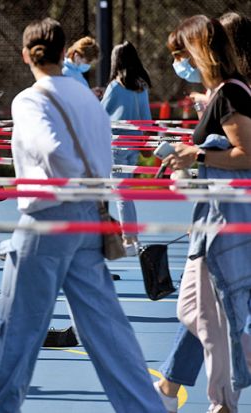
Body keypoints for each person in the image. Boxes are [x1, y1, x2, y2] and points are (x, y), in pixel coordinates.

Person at [0, 18, 165, 413]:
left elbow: (53, 148)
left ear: (26, 55)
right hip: (91, 217)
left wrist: (65, 181)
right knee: (107, 328)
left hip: (49, 216)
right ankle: (145, 408)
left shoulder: (30, 99)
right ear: (66, 53)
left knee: (16, 330)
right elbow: (102, 150)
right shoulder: (87, 98)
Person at [154, 13, 251, 412]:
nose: (180, 63)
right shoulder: (224, 94)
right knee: (194, 310)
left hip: (226, 221)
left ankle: (222, 403)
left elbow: (246, 154)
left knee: (216, 317)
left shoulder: (231, 94)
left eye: (182, 54)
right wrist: (189, 157)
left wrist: (194, 153)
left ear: (200, 51)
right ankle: (191, 392)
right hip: (210, 218)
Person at [101, 41, 152, 256]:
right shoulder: (141, 85)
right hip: (134, 145)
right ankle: (130, 236)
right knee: (124, 193)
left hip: (116, 145)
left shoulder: (115, 86)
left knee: (121, 194)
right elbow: (147, 119)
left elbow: (100, 113)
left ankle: (129, 238)